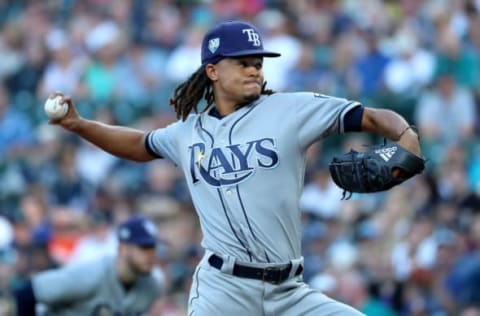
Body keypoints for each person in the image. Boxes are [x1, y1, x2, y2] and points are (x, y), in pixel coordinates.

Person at [45, 20, 422, 315]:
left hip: (289, 291)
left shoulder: (290, 109)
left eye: (257, 63)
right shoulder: (188, 133)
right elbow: (139, 145)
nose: (254, 70)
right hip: (223, 291)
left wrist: (406, 135)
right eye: (242, 62)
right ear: (212, 71)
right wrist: (79, 124)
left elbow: (370, 117)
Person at [14, 215, 165, 316]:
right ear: (123, 248)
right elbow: (28, 292)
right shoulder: (92, 275)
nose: (151, 254)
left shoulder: (152, 285)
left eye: (153, 247)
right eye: (144, 247)